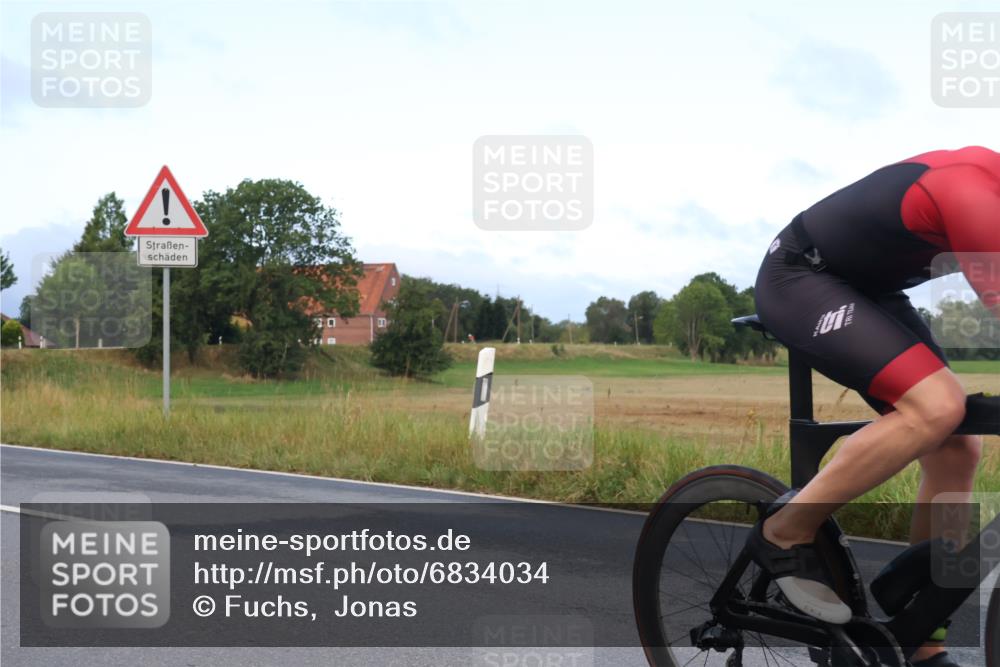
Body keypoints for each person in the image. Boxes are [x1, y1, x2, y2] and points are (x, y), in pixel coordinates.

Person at [747, 146, 1000, 667]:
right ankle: (785, 531)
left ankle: (921, 639)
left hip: (870, 289)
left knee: (957, 449)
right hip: (800, 277)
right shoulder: (974, 194)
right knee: (936, 408)